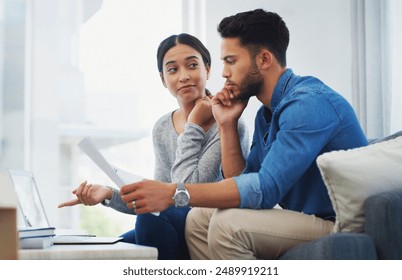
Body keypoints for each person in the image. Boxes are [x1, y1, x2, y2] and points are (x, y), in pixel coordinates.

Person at [117, 9, 368, 260]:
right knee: (198, 219)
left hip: (341, 224)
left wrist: (175, 192)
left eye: (231, 61)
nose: (224, 73)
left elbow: (265, 189)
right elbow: (242, 181)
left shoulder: (307, 104)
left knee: (228, 225)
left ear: (264, 60)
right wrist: (227, 123)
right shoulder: (267, 114)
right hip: (307, 218)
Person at [58, 33, 250, 260]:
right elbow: (160, 197)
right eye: (172, 70)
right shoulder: (162, 127)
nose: (184, 76)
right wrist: (109, 195)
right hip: (174, 222)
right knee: (112, 251)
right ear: (163, 79)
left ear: (207, 70)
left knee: (148, 220)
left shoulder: (228, 122)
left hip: (208, 225)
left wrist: (194, 126)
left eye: (192, 65)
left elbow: (186, 192)